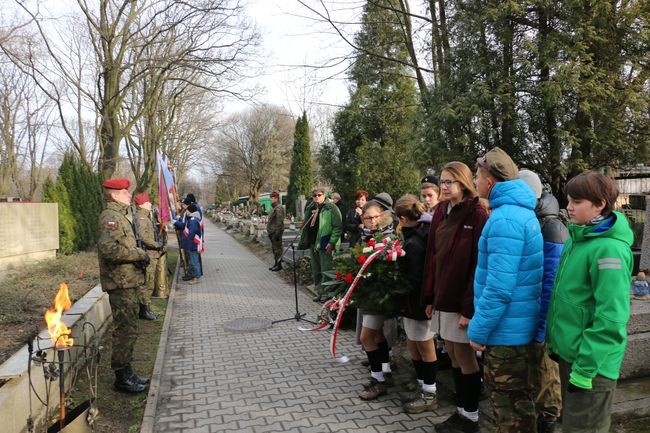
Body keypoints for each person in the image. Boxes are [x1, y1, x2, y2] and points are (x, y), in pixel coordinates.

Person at [546, 171, 633, 433]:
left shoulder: (609, 249)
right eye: (569, 200)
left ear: (600, 204)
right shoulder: (579, 237)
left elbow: (611, 318)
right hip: (573, 355)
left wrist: (584, 370)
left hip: (591, 365)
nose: (569, 207)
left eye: (577, 202)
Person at [467, 147, 543, 433]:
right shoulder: (519, 213)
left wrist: (478, 331)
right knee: (519, 408)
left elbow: (499, 288)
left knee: (510, 413)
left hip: (505, 334)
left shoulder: (505, 220)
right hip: (515, 329)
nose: (475, 182)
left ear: (490, 181)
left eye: (477, 176)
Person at [420, 161, 488, 432]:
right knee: (454, 355)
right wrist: (428, 297)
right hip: (442, 297)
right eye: (442, 182)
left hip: (462, 301)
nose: (444, 186)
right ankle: (461, 411)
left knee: (464, 355)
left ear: (464, 183)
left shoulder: (477, 215)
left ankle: (470, 416)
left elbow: (478, 265)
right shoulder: (440, 212)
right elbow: (432, 258)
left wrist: (469, 308)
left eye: (450, 182)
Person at [519, 169, 568, 433]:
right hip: (531, 313)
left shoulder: (551, 227)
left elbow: (550, 284)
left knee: (546, 371)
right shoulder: (536, 220)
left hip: (546, 318)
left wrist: (541, 328)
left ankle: (549, 418)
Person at [97, 178, 150, 394]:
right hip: (120, 283)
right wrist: (137, 254)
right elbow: (109, 250)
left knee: (129, 329)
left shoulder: (120, 216)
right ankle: (121, 377)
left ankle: (127, 372)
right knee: (124, 331)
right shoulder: (110, 217)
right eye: (126, 192)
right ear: (115, 195)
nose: (130, 195)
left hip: (128, 281)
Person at [393, 194, 438, 413]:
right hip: (411, 301)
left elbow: (418, 276)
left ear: (402, 218)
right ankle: (422, 385)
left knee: (425, 344)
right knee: (415, 341)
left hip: (420, 301)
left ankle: (430, 393)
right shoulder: (414, 235)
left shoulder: (417, 240)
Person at [357, 201, 396, 400]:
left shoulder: (388, 237)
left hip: (380, 296)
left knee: (366, 338)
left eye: (375, 217)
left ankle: (377, 381)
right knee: (378, 336)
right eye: (368, 218)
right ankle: (385, 372)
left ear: (381, 215)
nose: (372, 221)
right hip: (371, 294)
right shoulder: (368, 235)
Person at [297, 186, 342, 302]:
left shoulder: (332, 208)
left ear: (324, 195)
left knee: (326, 269)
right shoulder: (311, 207)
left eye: (319, 195)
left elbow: (337, 227)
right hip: (313, 242)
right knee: (316, 270)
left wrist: (332, 242)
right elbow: (307, 224)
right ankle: (319, 292)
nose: (316, 197)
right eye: (314, 195)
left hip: (325, 241)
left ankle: (327, 293)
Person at [133, 193, 162, 320]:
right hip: (148, 254)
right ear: (143, 204)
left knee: (149, 283)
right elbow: (143, 237)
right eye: (148, 202)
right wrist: (157, 245)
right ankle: (144, 310)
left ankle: (147, 308)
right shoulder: (141, 218)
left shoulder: (145, 216)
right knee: (147, 283)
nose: (150, 204)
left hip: (151, 254)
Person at [174, 203, 202, 284]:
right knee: (191, 261)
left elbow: (191, 234)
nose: (186, 211)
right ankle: (193, 275)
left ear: (190, 211)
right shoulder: (191, 219)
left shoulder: (193, 221)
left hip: (193, 244)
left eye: (187, 210)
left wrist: (187, 244)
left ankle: (196, 278)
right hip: (191, 244)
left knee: (194, 261)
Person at [267, 191, 285, 271]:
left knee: (278, 249)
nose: (271, 199)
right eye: (271, 198)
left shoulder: (278, 208)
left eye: (272, 198)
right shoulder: (274, 208)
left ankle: (279, 265)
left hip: (276, 232)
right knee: (275, 249)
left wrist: (278, 233)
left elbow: (279, 221)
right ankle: (276, 263)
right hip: (272, 232)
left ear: (276, 198)